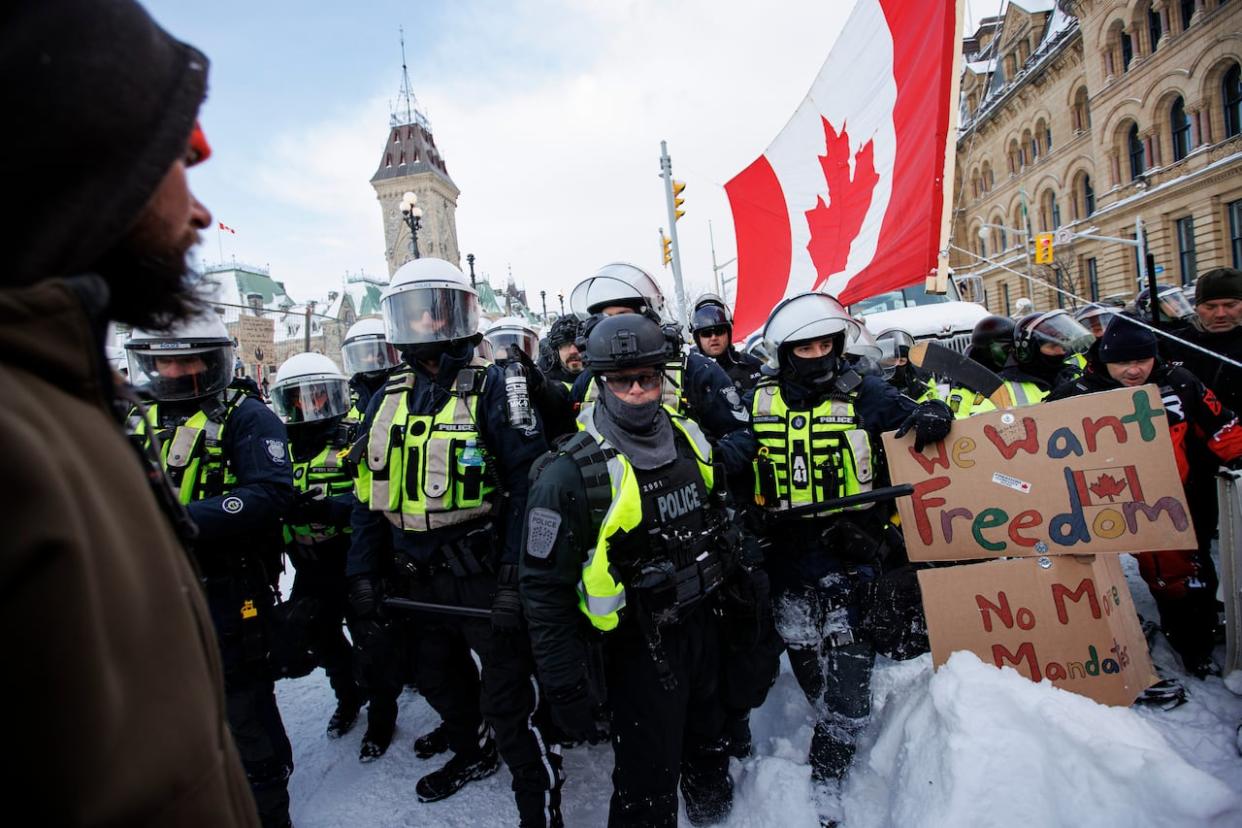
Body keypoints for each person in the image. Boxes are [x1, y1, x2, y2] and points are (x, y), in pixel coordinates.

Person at [0, 3, 259, 823]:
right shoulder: (23, 442)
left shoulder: (64, 399)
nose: (201, 213)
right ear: (93, 168)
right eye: (182, 155)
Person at [520, 313, 761, 826]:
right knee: (647, 785)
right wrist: (564, 685)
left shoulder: (688, 436)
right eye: (622, 381)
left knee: (710, 745)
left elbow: (718, 513)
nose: (637, 391)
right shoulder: (569, 472)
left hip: (706, 626)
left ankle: (713, 813)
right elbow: (543, 590)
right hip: (638, 650)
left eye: (648, 378)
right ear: (600, 383)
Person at [347, 258, 561, 825]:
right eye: (413, 313)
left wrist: (516, 578)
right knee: (438, 678)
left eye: (436, 311)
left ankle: (538, 804)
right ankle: (472, 749)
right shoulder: (386, 396)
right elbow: (368, 492)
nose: (426, 325)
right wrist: (362, 575)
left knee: (510, 698)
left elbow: (529, 487)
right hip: (413, 575)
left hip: (481, 572)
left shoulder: (494, 385)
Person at [748, 292, 952, 785]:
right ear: (784, 353)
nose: (818, 356)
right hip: (786, 556)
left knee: (850, 685)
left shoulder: (867, 393)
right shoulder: (756, 400)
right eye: (805, 349)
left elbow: (916, 413)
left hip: (851, 554)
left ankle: (828, 774)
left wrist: (934, 415)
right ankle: (823, 714)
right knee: (802, 651)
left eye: (826, 346)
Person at [126, 309, 295, 827]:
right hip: (152, 586)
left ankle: (269, 805)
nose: (175, 374)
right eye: (164, 364)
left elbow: (269, 494)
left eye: (189, 362)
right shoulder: (135, 414)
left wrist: (179, 519)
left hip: (228, 581)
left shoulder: (245, 416)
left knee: (243, 700)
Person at [1049, 318, 1242, 677]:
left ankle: (1193, 643)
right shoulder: (1076, 394)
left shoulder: (1180, 384)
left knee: (1179, 576)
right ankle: (1098, 651)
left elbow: (1224, 429)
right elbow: (1032, 447)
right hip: (1094, 504)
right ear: (1105, 360)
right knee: (1083, 576)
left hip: (1166, 503)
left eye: (1142, 360)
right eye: (1123, 362)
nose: (1134, 370)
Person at [568, 263, 755, 476]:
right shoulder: (587, 381)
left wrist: (700, 467)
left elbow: (741, 436)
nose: (613, 327)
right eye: (605, 319)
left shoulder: (696, 371)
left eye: (623, 316)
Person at [269, 353, 365, 740]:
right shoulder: (278, 444)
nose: (310, 405)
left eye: (319, 396)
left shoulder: (355, 433)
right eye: (300, 397)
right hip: (308, 560)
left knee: (370, 633)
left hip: (352, 554)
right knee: (319, 635)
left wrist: (334, 509)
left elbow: (376, 493)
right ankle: (348, 696)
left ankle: (382, 706)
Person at [998, 310, 1093, 406]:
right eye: (1052, 346)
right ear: (1030, 351)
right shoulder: (1002, 390)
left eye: (1064, 344)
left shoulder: (1075, 374)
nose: (1060, 351)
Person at [689, 292, 764, 393]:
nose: (714, 337)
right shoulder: (690, 375)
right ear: (697, 338)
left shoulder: (752, 365)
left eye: (719, 331)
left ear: (728, 333)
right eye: (706, 333)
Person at [944, 315, 1014, 418]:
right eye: (1006, 347)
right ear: (986, 351)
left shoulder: (1021, 375)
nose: (1012, 352)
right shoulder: (965, 384)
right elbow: (957, 421)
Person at [340, 317, 401, 420]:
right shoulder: (348, 394)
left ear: (388, 353)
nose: (370, 359)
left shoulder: (403, 384)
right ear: (355, 357)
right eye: (364, 354)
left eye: (376, 352)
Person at [540, 314, 585, 386]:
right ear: (555, 352)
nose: (573, 351)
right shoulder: (542, 382)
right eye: (565, 345)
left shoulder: (603, 375)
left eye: (579, 343)